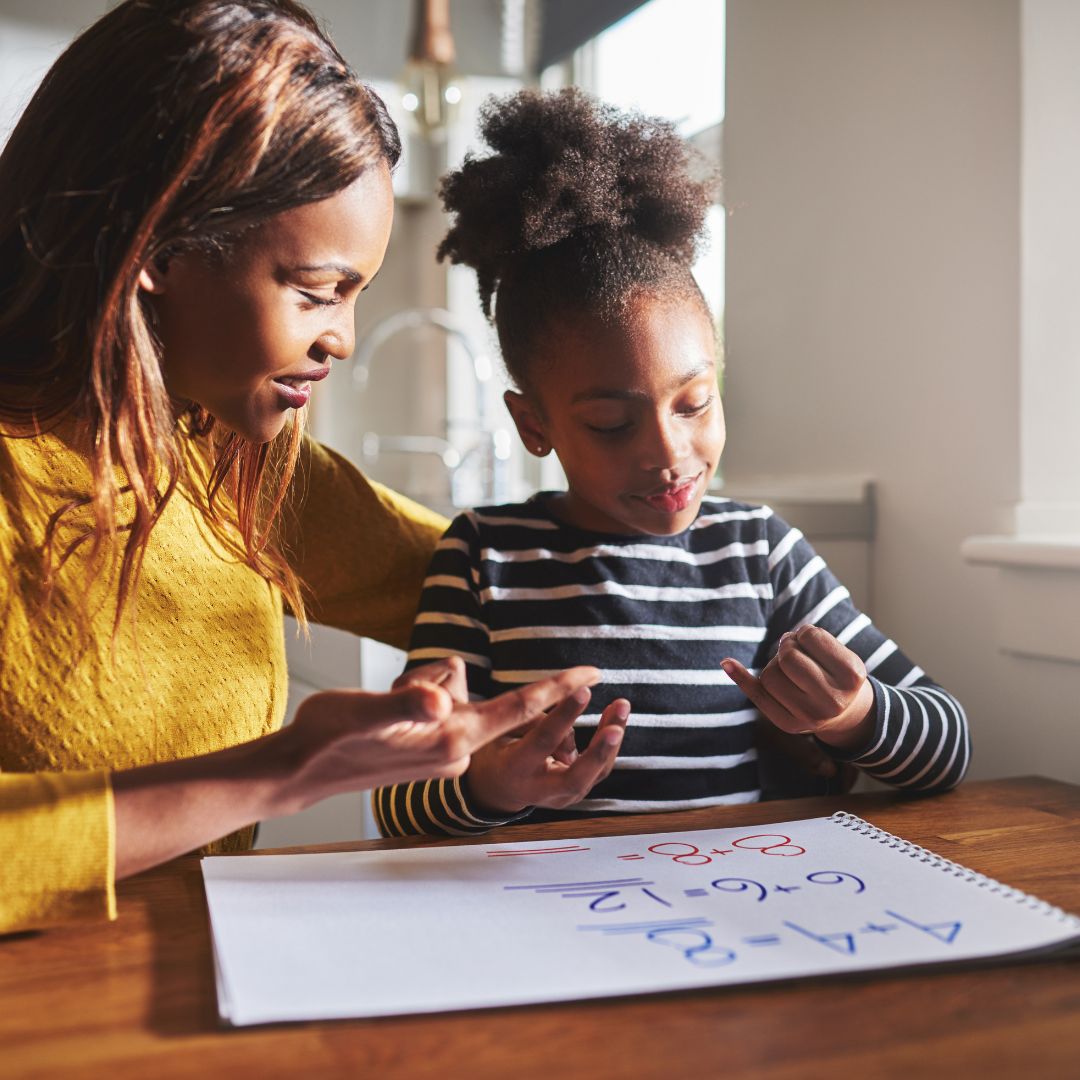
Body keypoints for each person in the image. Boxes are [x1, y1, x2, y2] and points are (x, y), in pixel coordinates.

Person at [0, 2, 617, 936]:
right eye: (317, 291)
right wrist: (283, 769)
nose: (343, 339)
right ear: (161, 246)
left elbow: (510, 586)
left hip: (208, 984)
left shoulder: (228, 455)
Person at [374, 89, 970, 837]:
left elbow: (949, 745)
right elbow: (396, 801)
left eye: (694, 404)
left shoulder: (758, 551)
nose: (667, 452)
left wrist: (857, 716)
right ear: (533, 424)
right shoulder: (482, 556)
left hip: (728, 915)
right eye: (611, 423)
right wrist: (487, 787)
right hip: (543, 922)